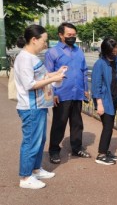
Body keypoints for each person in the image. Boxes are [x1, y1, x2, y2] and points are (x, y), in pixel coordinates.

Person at [14, 25, 66, 189]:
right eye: (44, 40)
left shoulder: (32, 57)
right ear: (34, 40)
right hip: (31, 106)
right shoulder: (24, 58)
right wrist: (53, 79)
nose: (46, 44)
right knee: (31, 142)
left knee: (39, 139)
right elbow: (30, 84)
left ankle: (35, 169)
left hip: (39, 104)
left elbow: (42, 76)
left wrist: (56, 73)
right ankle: (25, 177)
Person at [45, 22, 91, 164]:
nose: (72, 37)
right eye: (69, 35)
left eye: (74, 35)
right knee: (59, 123)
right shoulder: (52, 52)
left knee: (77, 123)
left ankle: (77, 148)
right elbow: (48, 75)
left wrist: (86, 89)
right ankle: (54, 150)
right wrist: (53, 94)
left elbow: (84, 71)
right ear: (60, 35)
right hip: (61, 94)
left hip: (77, 93)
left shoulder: (79, 51)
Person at [91, 38, 117, 165]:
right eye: (113, 51)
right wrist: (99, 104)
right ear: (106, 51)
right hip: (104, 99)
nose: (115, 53)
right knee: (108, 127)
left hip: (114, 98)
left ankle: (105, 150)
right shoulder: (100, 64)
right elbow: (96, 85)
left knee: (109, 126)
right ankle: (101, 154)